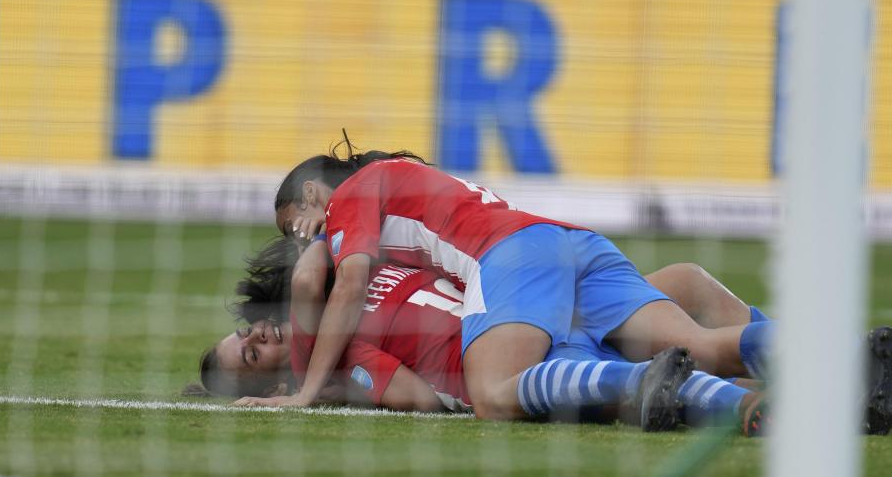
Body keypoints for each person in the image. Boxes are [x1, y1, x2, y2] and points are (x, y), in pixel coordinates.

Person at [256, 143, 774, 426]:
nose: (304, 237)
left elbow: (345, 284)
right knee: (699, 343)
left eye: (295, 224)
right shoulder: (394, 184)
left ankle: (641, 382)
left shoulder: (348, 201)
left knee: (493, 393)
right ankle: (832, 365)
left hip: (512, 257)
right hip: (564, 241)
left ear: (310, 192)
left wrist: (305, 393)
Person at [203, 237, 775, 433]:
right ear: (275, 382)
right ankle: (798, 383)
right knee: (680, 357)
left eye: (246, 331)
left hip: (540, 313)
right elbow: (420, 398)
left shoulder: (366, 271)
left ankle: (804, 365)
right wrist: (331, 388)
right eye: (254, 351)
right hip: (524, 355)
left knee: (687, 283)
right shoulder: (346, 348)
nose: (262, 331)